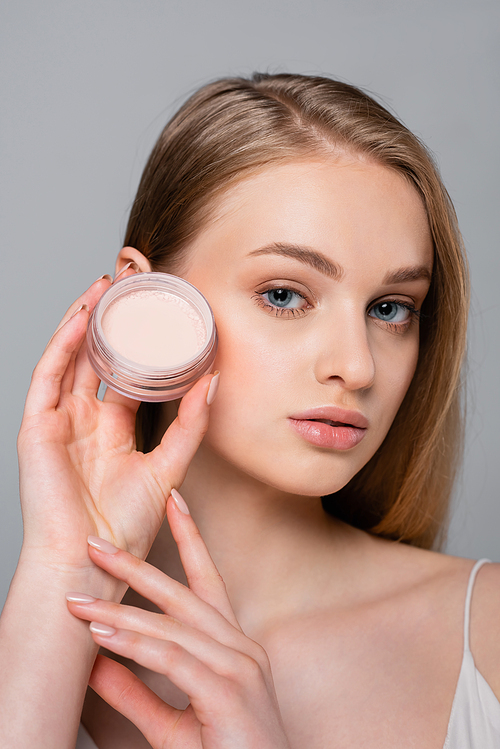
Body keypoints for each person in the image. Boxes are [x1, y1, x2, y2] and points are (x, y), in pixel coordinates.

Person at [0, 73, 499, 749]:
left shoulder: (487, 633)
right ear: (143, 297)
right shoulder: (34, 652)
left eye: (390, 308)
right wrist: (62, 574)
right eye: (286, 295)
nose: (357, 366)